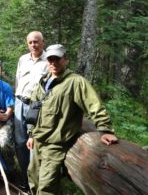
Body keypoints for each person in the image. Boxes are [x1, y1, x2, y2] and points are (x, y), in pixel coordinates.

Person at [26, 44, 118, 195]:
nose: (53, 63)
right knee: (33, 179)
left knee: (46, 187)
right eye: (50, 59)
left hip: (55, 145)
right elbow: (33, 110)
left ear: (66, 60)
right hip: (38, 141)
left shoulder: (76, 82)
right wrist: (31, 134)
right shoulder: (43, 82)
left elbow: (94, 105)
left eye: (57, 59)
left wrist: (105, 129)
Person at [14, 31, 48, 192]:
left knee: (33, 143)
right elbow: (18, 80)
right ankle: (24, 178)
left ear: (43, 42)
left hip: (37, 105)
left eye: (36, 41)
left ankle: (36, 180)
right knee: (20, 143)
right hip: (20, 103)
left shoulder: (49, 61)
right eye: (30, 42)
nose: (33, 45)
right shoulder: (23, 59)